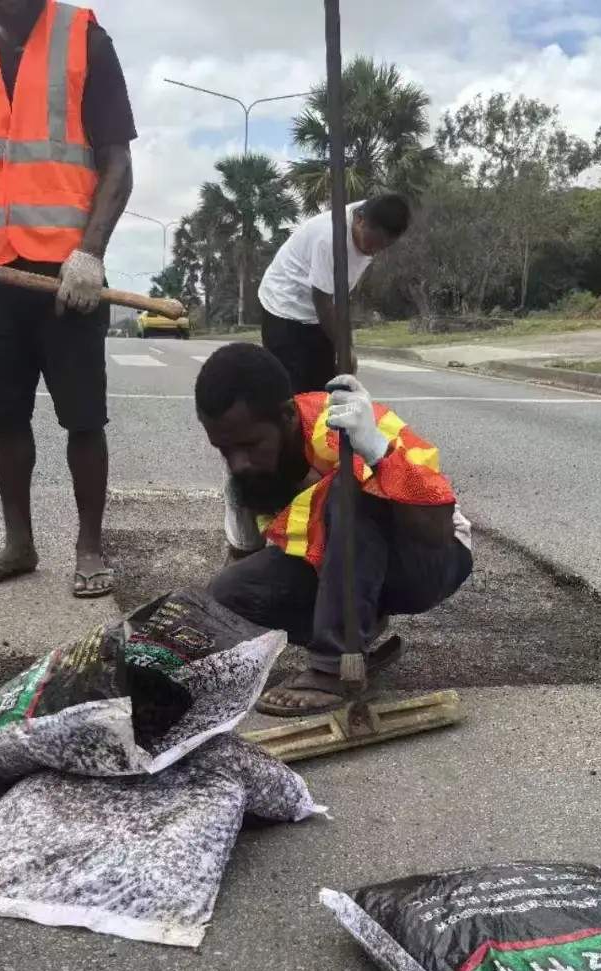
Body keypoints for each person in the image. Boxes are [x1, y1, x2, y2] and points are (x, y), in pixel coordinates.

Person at [0, 0, 135, 598]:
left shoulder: (84, 39)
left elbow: (117, 162)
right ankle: (18, 543)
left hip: (67, 275)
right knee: (5, 414)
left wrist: (90, 252)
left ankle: (89, 546)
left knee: (83, 417)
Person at [198, 344, 472, 717]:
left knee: (349, 489)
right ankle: (356, 629)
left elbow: (436, 530)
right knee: (227, 592)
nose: (238, 463)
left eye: (249, 445)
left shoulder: (347, 425)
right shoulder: (243, 474)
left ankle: (332, 666)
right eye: (223, 449)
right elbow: (247, 563)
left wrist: (376, 451)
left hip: (425, 563)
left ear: (288, 415)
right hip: (337, 572)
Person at [258, 194, 410, 395]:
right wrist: (345, 349)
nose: (373, 252)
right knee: (292, 391)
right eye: (371, 245)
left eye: (382, 247)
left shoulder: (371, 217)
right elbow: (322, 300)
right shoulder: (330, 238)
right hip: (283, 305)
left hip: (317, 309)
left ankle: (319, 424)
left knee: (328, 387)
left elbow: (338, 298)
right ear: (359, 220)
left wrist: (346, 349)